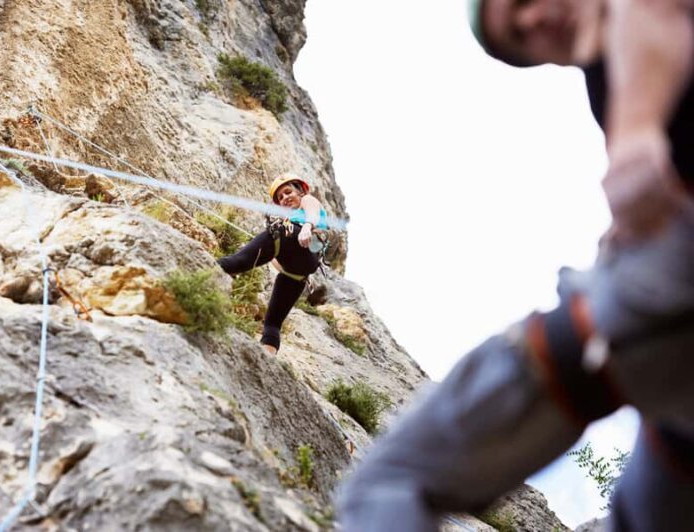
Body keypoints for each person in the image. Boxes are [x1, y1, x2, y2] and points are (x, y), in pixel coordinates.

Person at [337, 1, 694, 530]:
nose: (530, 24)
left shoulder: (632, 39)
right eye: (518, 40)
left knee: (388, 480)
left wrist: (637, 130)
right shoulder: (611, 86)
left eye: (523, 3)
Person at [217, 173, 328, 355]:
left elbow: (313, 214)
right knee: (273, 323)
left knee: (235, 262)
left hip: (295, 238)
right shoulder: (289, 223)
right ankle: (267, 358)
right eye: (280, 197)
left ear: (300, 191)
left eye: (288, 192)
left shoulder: (307, 201)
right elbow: (277, 262)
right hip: (298, 273)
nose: (285, 198)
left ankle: (198, 270)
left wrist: (307, 227)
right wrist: (264, 252)